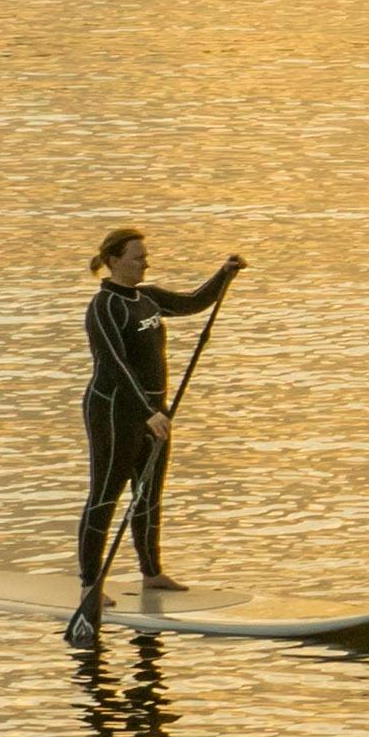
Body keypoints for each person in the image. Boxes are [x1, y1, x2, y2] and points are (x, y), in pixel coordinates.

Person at [80, 226, 244, 604]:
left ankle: (151, 573)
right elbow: (114, 363)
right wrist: (147, 411)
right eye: (138, 258)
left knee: (149, 494)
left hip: (153, 412)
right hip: (114, 411)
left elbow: (192, 302)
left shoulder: (147, 299)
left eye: (145, 257)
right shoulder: (104, 307)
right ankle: (90, 583)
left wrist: (224, 273)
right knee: (105, 496)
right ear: (114, 261)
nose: (145, 264)